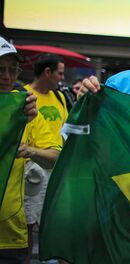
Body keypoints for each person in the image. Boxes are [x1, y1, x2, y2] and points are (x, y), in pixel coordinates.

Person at [0, 36, 61, 264]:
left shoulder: (25, 109)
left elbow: (55, 157)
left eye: (12, 70)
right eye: (0, 70)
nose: (6, 77)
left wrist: (30, 151)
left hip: (11, 234)